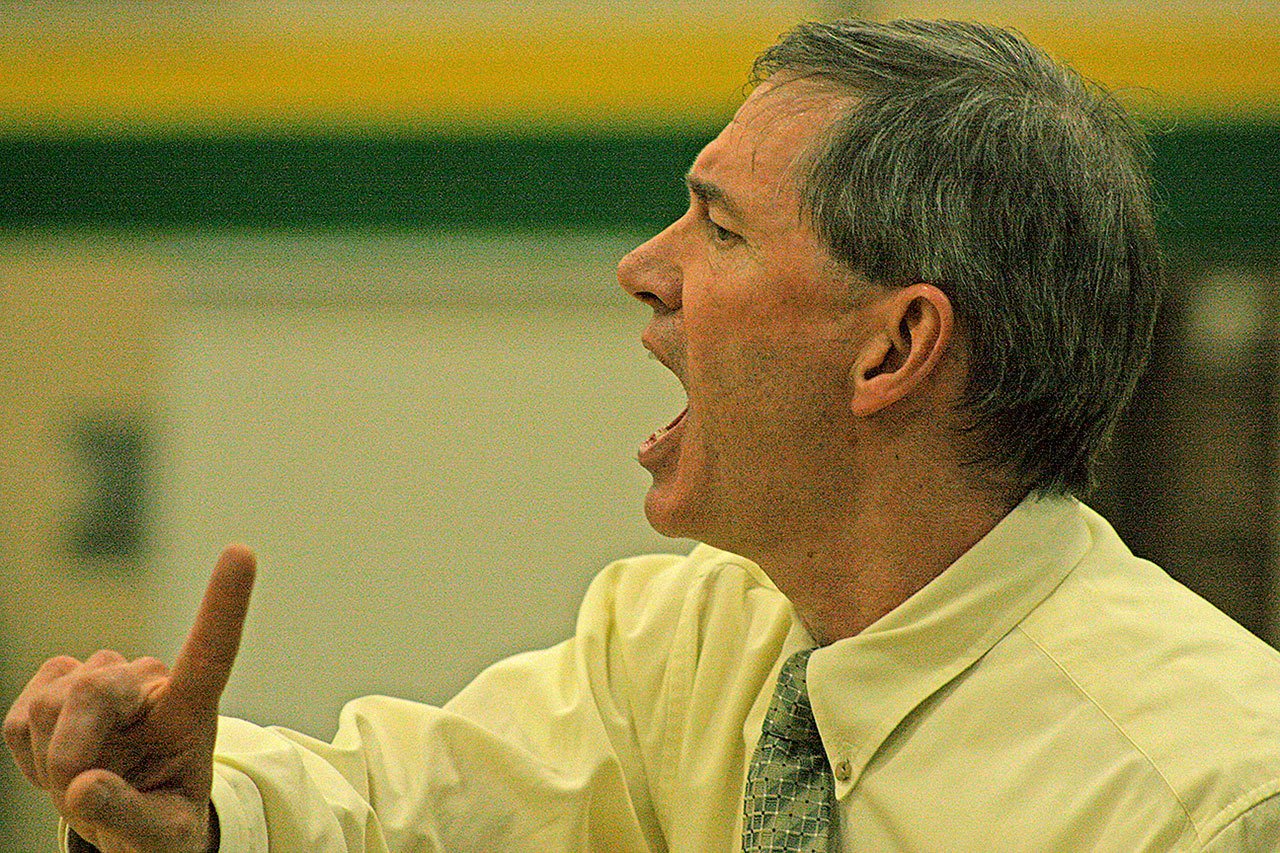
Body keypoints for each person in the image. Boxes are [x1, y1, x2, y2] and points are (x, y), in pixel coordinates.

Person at [7, 18, 1280, 852]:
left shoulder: (1205, 797)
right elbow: (413, 805)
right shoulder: (694, 641)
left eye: (717, 230)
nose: (639, 268)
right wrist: (210, 809)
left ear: (893, 348)